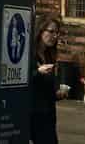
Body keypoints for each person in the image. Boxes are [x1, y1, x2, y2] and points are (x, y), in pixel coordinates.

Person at [30, 16, 64, 144]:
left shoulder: (49, 55)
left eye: (57, 33)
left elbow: (47, 87)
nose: (55, 36)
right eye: (51, 32)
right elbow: (23, 80)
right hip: (32, 112)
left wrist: (57, 94)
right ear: (40, 31)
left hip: (47, 114)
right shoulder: (30, 54)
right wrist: (38, 72)